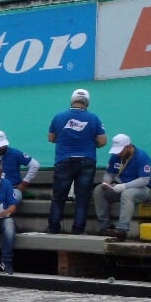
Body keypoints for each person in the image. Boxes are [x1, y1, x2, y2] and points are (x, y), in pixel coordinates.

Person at [47, 89, 107, 234]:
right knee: (82, 197)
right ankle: (78, 229)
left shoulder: (59, 117)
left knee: (59, 196)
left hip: (64, 159)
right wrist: (91, 142)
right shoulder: (94, 118)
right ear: (88, 102)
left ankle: (54, 227)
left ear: (72, 100)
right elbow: (102, 141)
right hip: (87, 160)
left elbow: (51, 138)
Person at [94, 133, 151, 241]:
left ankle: (122, 229)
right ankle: (105, 226)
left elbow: (144, 180)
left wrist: (124, 186)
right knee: (99, 190)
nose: (119, 153)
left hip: (142, 190)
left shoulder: (142, 156)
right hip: (120, 186)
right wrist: (106, 183)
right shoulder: (116, 156)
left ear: (129, 147)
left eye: (120, 150)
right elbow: (109, 173)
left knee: (128, 193)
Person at [0, 130, 40, 200]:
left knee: (13, 198)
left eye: (3, 144)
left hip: (13, 188)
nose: (2, 147)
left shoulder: (15, 153)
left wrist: (24, 183)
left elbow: (35, 165)